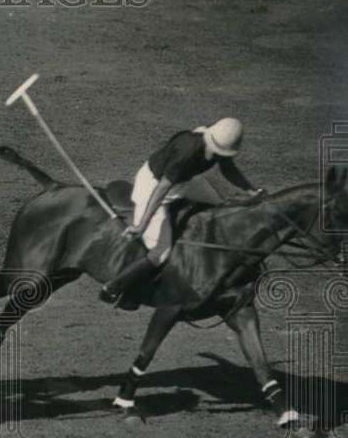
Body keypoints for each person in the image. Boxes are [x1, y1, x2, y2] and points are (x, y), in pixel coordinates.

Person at [99, 117, 264, 308]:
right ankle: (115, 287)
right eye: (215, 150)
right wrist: (141, 225)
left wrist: (252, 190)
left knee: (220, 209)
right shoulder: (186, 151)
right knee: (160, 253)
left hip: (185, 181)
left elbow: (228, 168)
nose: (216, 155)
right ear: (210, 139)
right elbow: (161, 189)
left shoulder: (219, 137)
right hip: (153, 185)